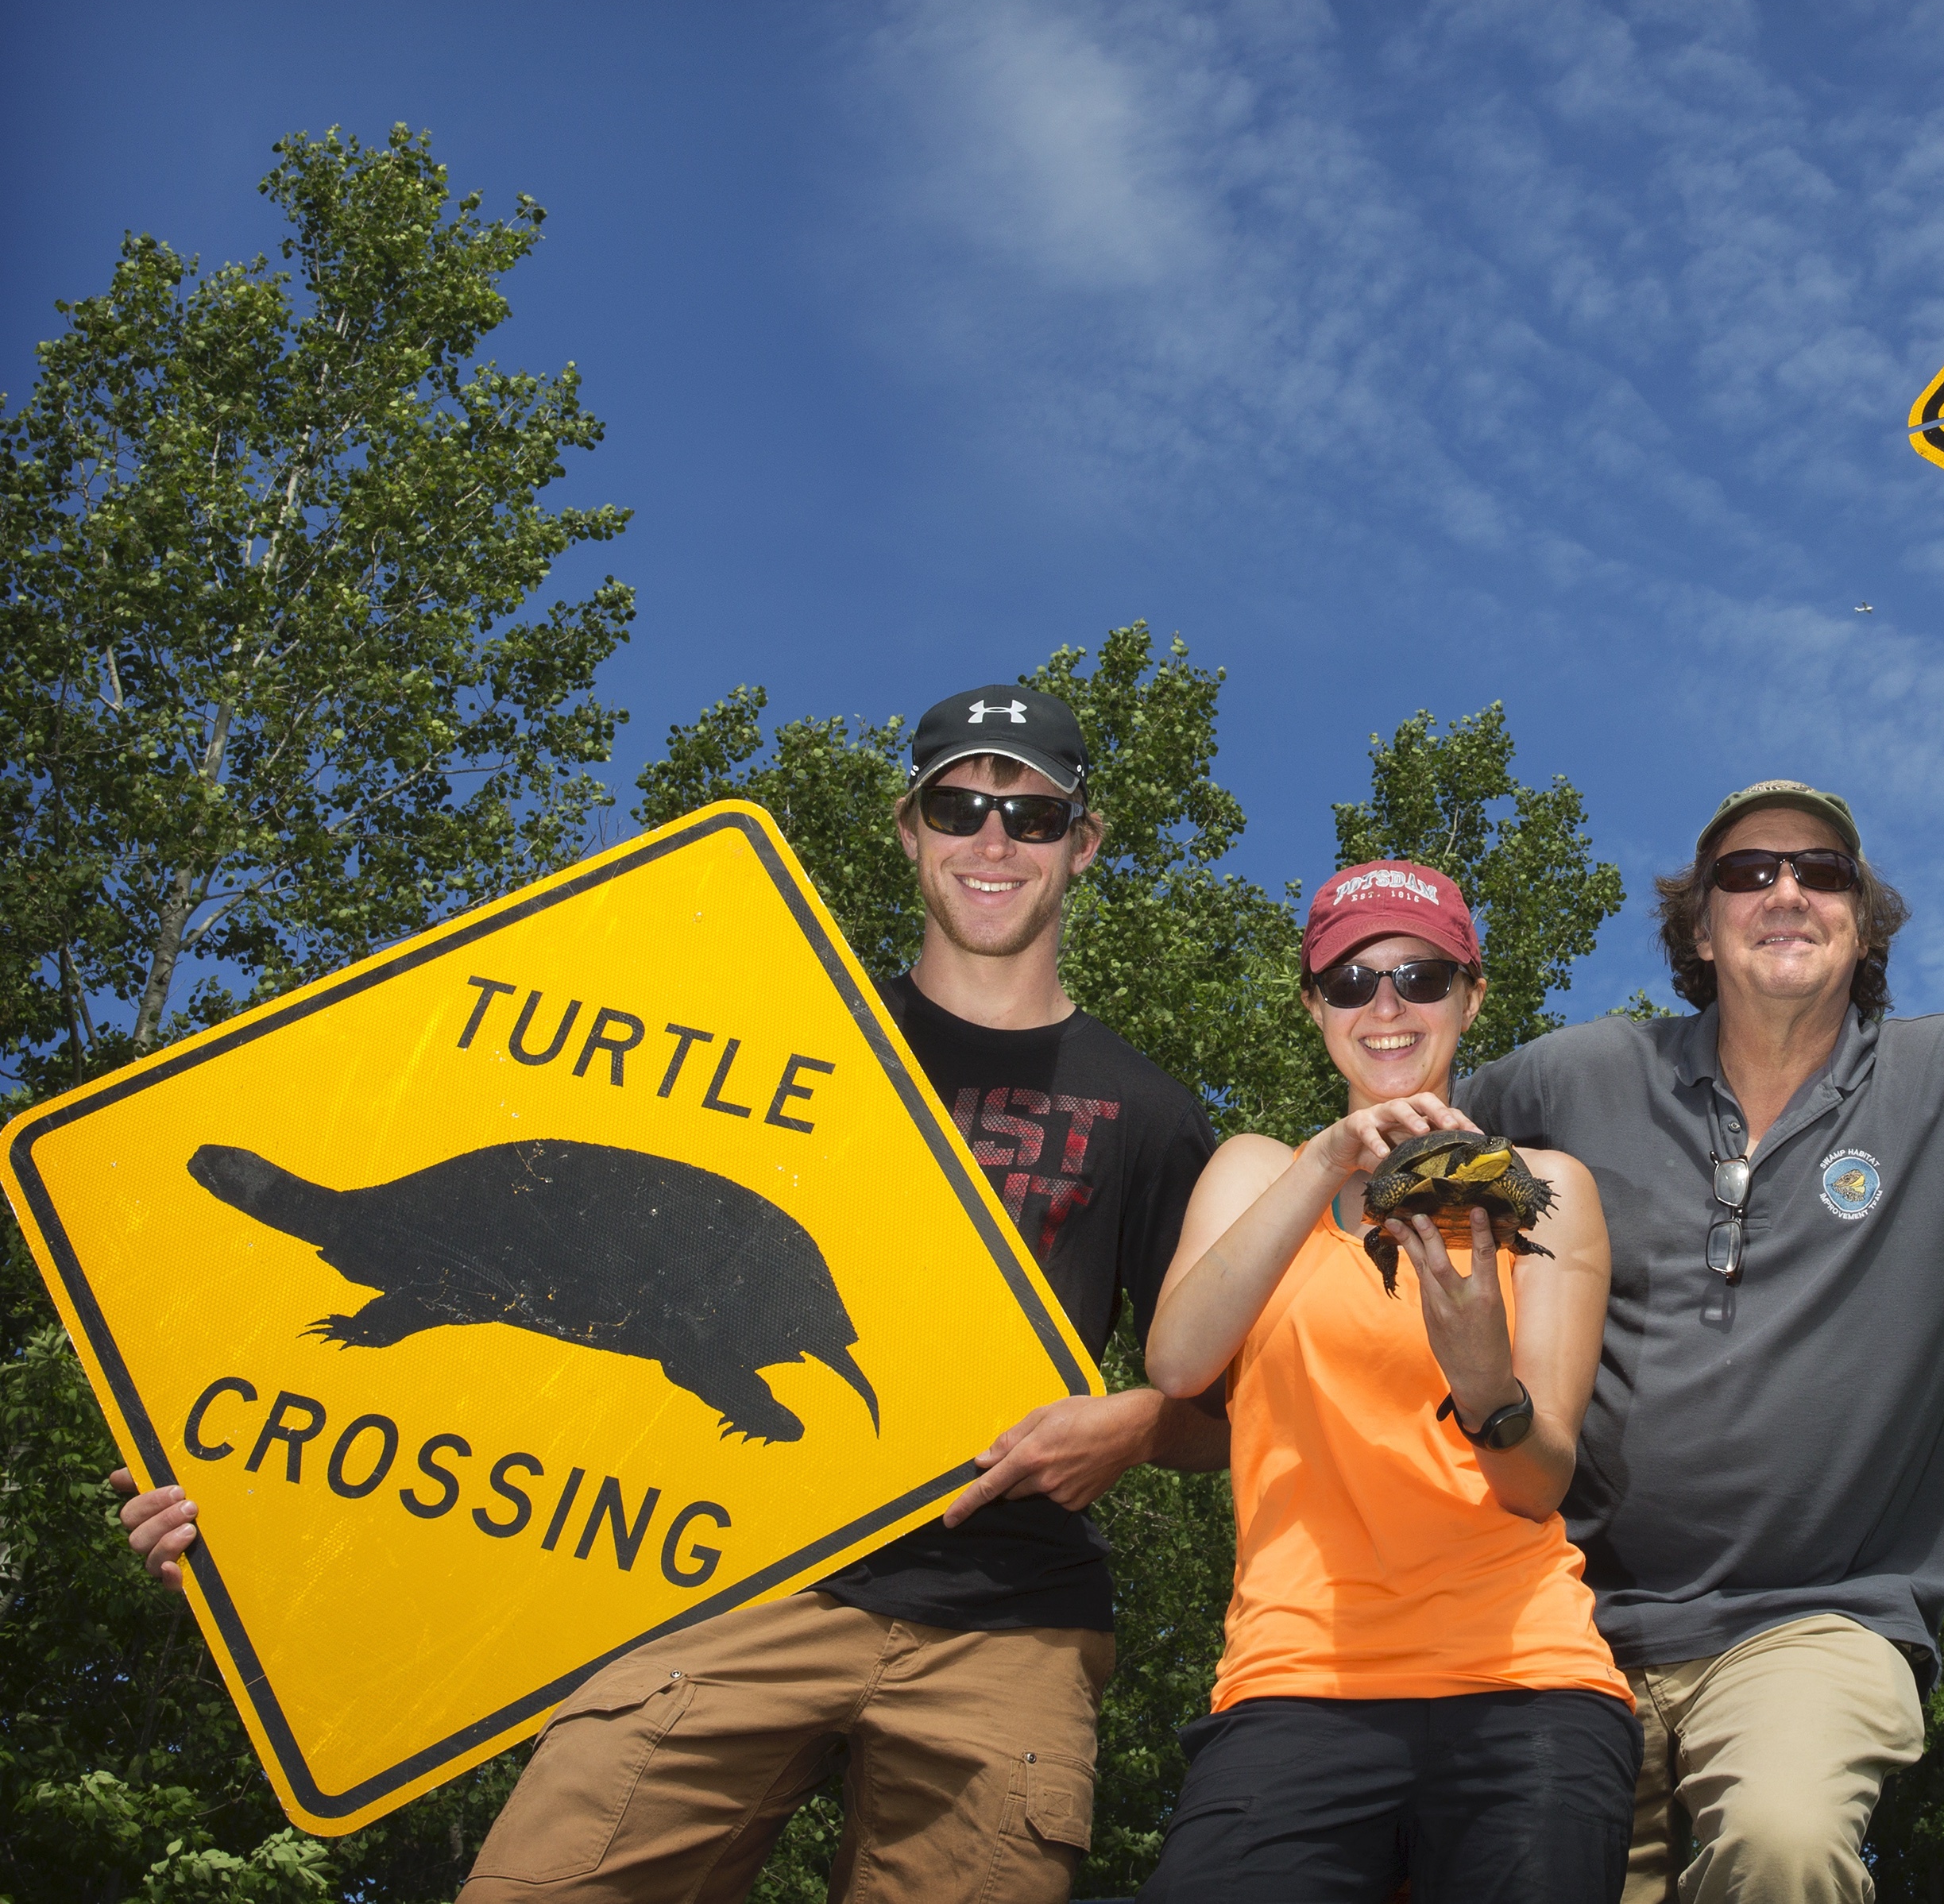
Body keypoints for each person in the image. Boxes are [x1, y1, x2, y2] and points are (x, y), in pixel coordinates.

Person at [115, 683, 1226, 1904]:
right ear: (909, 829)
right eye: (958, 807)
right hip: (716, 1578)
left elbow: (1232, 1410)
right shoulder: (769, 1046)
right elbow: (533, 1346)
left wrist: (1131, 1425)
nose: (993, 841)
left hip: (1005, 1618)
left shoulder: (1150, 1111)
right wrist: (246, 1511)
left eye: (1033, 814)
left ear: (1084, 841)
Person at [1453, 778, 1944, 1904]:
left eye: (1822, 871)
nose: (1785, 891)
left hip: (1817, 1620)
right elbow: (1389, 1151)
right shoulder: (1572, 1079)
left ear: (1863, 921)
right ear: (1701, 927)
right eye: (1747, 872)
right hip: (1567, 1629)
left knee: (1782, 1842)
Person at [1134, 859, 1638, 1903]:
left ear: (1472, 995)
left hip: (1525, 1679)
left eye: (1421, 976)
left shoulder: (1545, 1192)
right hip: (1294, 1680)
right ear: (1314, 1007)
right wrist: (1327, 1162)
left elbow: (1538, 1482)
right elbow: (1178, 1362)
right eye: (1352, 981)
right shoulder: (1256, 1171)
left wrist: (1485, 1385)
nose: (1387, 1006)